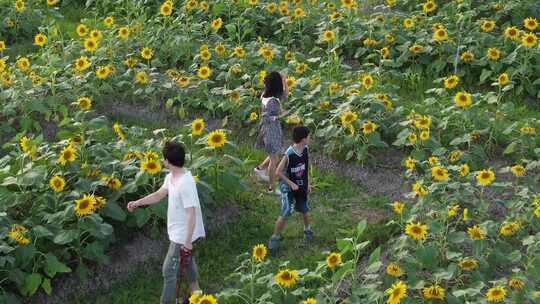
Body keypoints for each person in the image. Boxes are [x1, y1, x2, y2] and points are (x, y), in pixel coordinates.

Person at [127, 141, 205, 304]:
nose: (163, 162)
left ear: (169, 161)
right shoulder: (171, 177)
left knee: (169, 271)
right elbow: (158, 195)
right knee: (188, 261)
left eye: (164, 159)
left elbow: (191, 214)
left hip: (183, 234)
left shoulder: (186, 183)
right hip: (180, 231)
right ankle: (197, 295)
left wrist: (187, 242)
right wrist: (138, 202)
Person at [268, 126, 313, 251]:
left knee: (305, 209)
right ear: (303, 138)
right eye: (309, 136)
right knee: (286, 211)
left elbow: (306, 166)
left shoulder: (305, 149)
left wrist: (308, 182)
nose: (310, 138)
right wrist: (290, 184)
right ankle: (275, 238)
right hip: (288, 187)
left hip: (301, 184)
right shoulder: (289, 154)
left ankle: (307, 230)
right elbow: (278, 172)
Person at [254, 71, 289, 195]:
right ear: (276, 85)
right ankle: (271, 188)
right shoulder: (273, 101)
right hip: (271, 130)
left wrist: (284, 80)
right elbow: (267, 117)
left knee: (275, 154)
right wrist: (282, 115)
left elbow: (285, 96)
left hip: (269, 129)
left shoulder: (266, 94)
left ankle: (259, 169)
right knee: (274, 158)